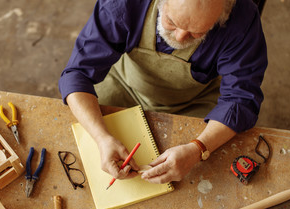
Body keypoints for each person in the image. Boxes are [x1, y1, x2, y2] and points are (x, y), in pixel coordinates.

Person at [58, 0, 268, 184]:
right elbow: (77, 74)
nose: (179, 37)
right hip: (125, 83)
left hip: (194, 100)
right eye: (172, 22)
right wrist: (101, 137)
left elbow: (240, 100)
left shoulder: (243, 19)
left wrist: (198, 148)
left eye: (197, 31)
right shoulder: (124, 3)